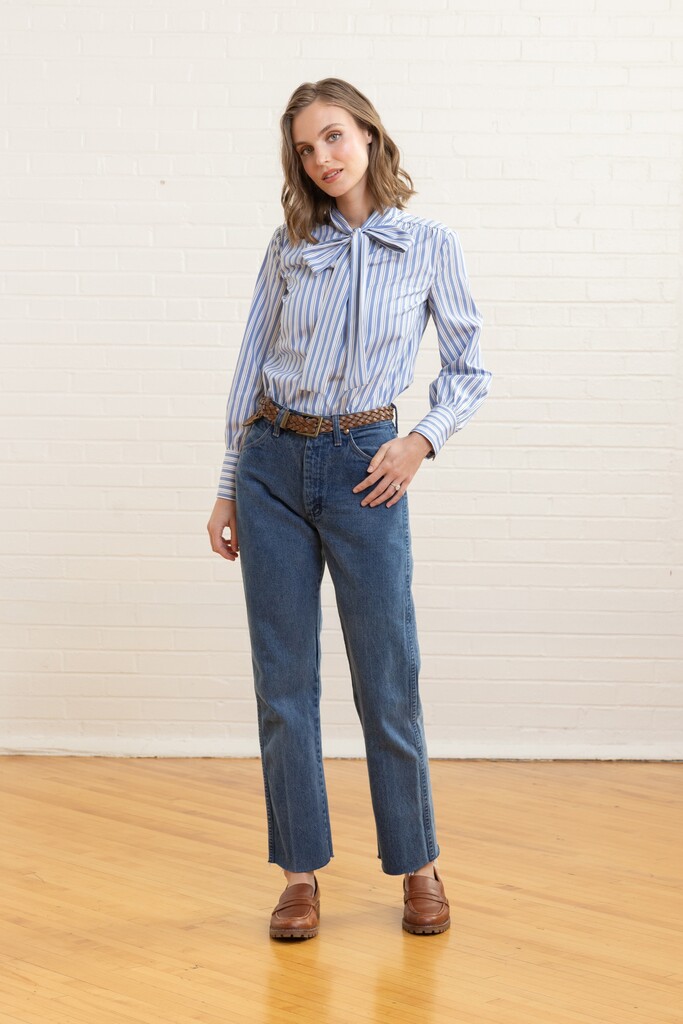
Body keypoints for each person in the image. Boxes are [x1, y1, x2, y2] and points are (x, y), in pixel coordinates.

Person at [207, 77, 492, 940]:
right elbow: (250, 363)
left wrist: (420, 441)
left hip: (368, 467)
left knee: (387, 681)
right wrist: (227, 482)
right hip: (270, 468)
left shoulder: (428, 242)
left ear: (368, 136)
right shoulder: (290, 243)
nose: (322, 159)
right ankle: (299, 875)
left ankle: (418, 866)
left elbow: (469, 367)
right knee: (283, 686)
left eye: (333, 137)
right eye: (305, 148)